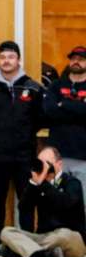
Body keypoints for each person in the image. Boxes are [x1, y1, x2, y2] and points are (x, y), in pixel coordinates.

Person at [0, 41, 44, 256]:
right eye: (3, 57)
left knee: (26, 199)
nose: (6, 61)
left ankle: (27, 241)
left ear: (18, 60)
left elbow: (40, 118)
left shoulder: (33, 88)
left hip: (25, 155)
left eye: (11, 57)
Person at [0, 146, 86, 257]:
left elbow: (66, 202)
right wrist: (33, 184)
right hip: (44, 237)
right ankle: (43, 254)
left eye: (48, 164)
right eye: (41, 164)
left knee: (64, 236)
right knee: (6, 232)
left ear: (59, 164)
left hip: (70, 239)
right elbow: (23, 208)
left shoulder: (72, 183)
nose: (45, 168)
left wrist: (43, 184)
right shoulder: (38, 185)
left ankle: (23, 251)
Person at [43, 46, 86, 203]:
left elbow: (59, 109)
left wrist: (64, 105)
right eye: (73, 59)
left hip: (83, 157)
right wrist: (80, 108)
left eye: (81, 59)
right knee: (56, 200)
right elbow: (49, 111)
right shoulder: (56, 85)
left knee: (83, 202)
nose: (76, 62)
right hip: (58, 156)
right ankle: (58, 229)